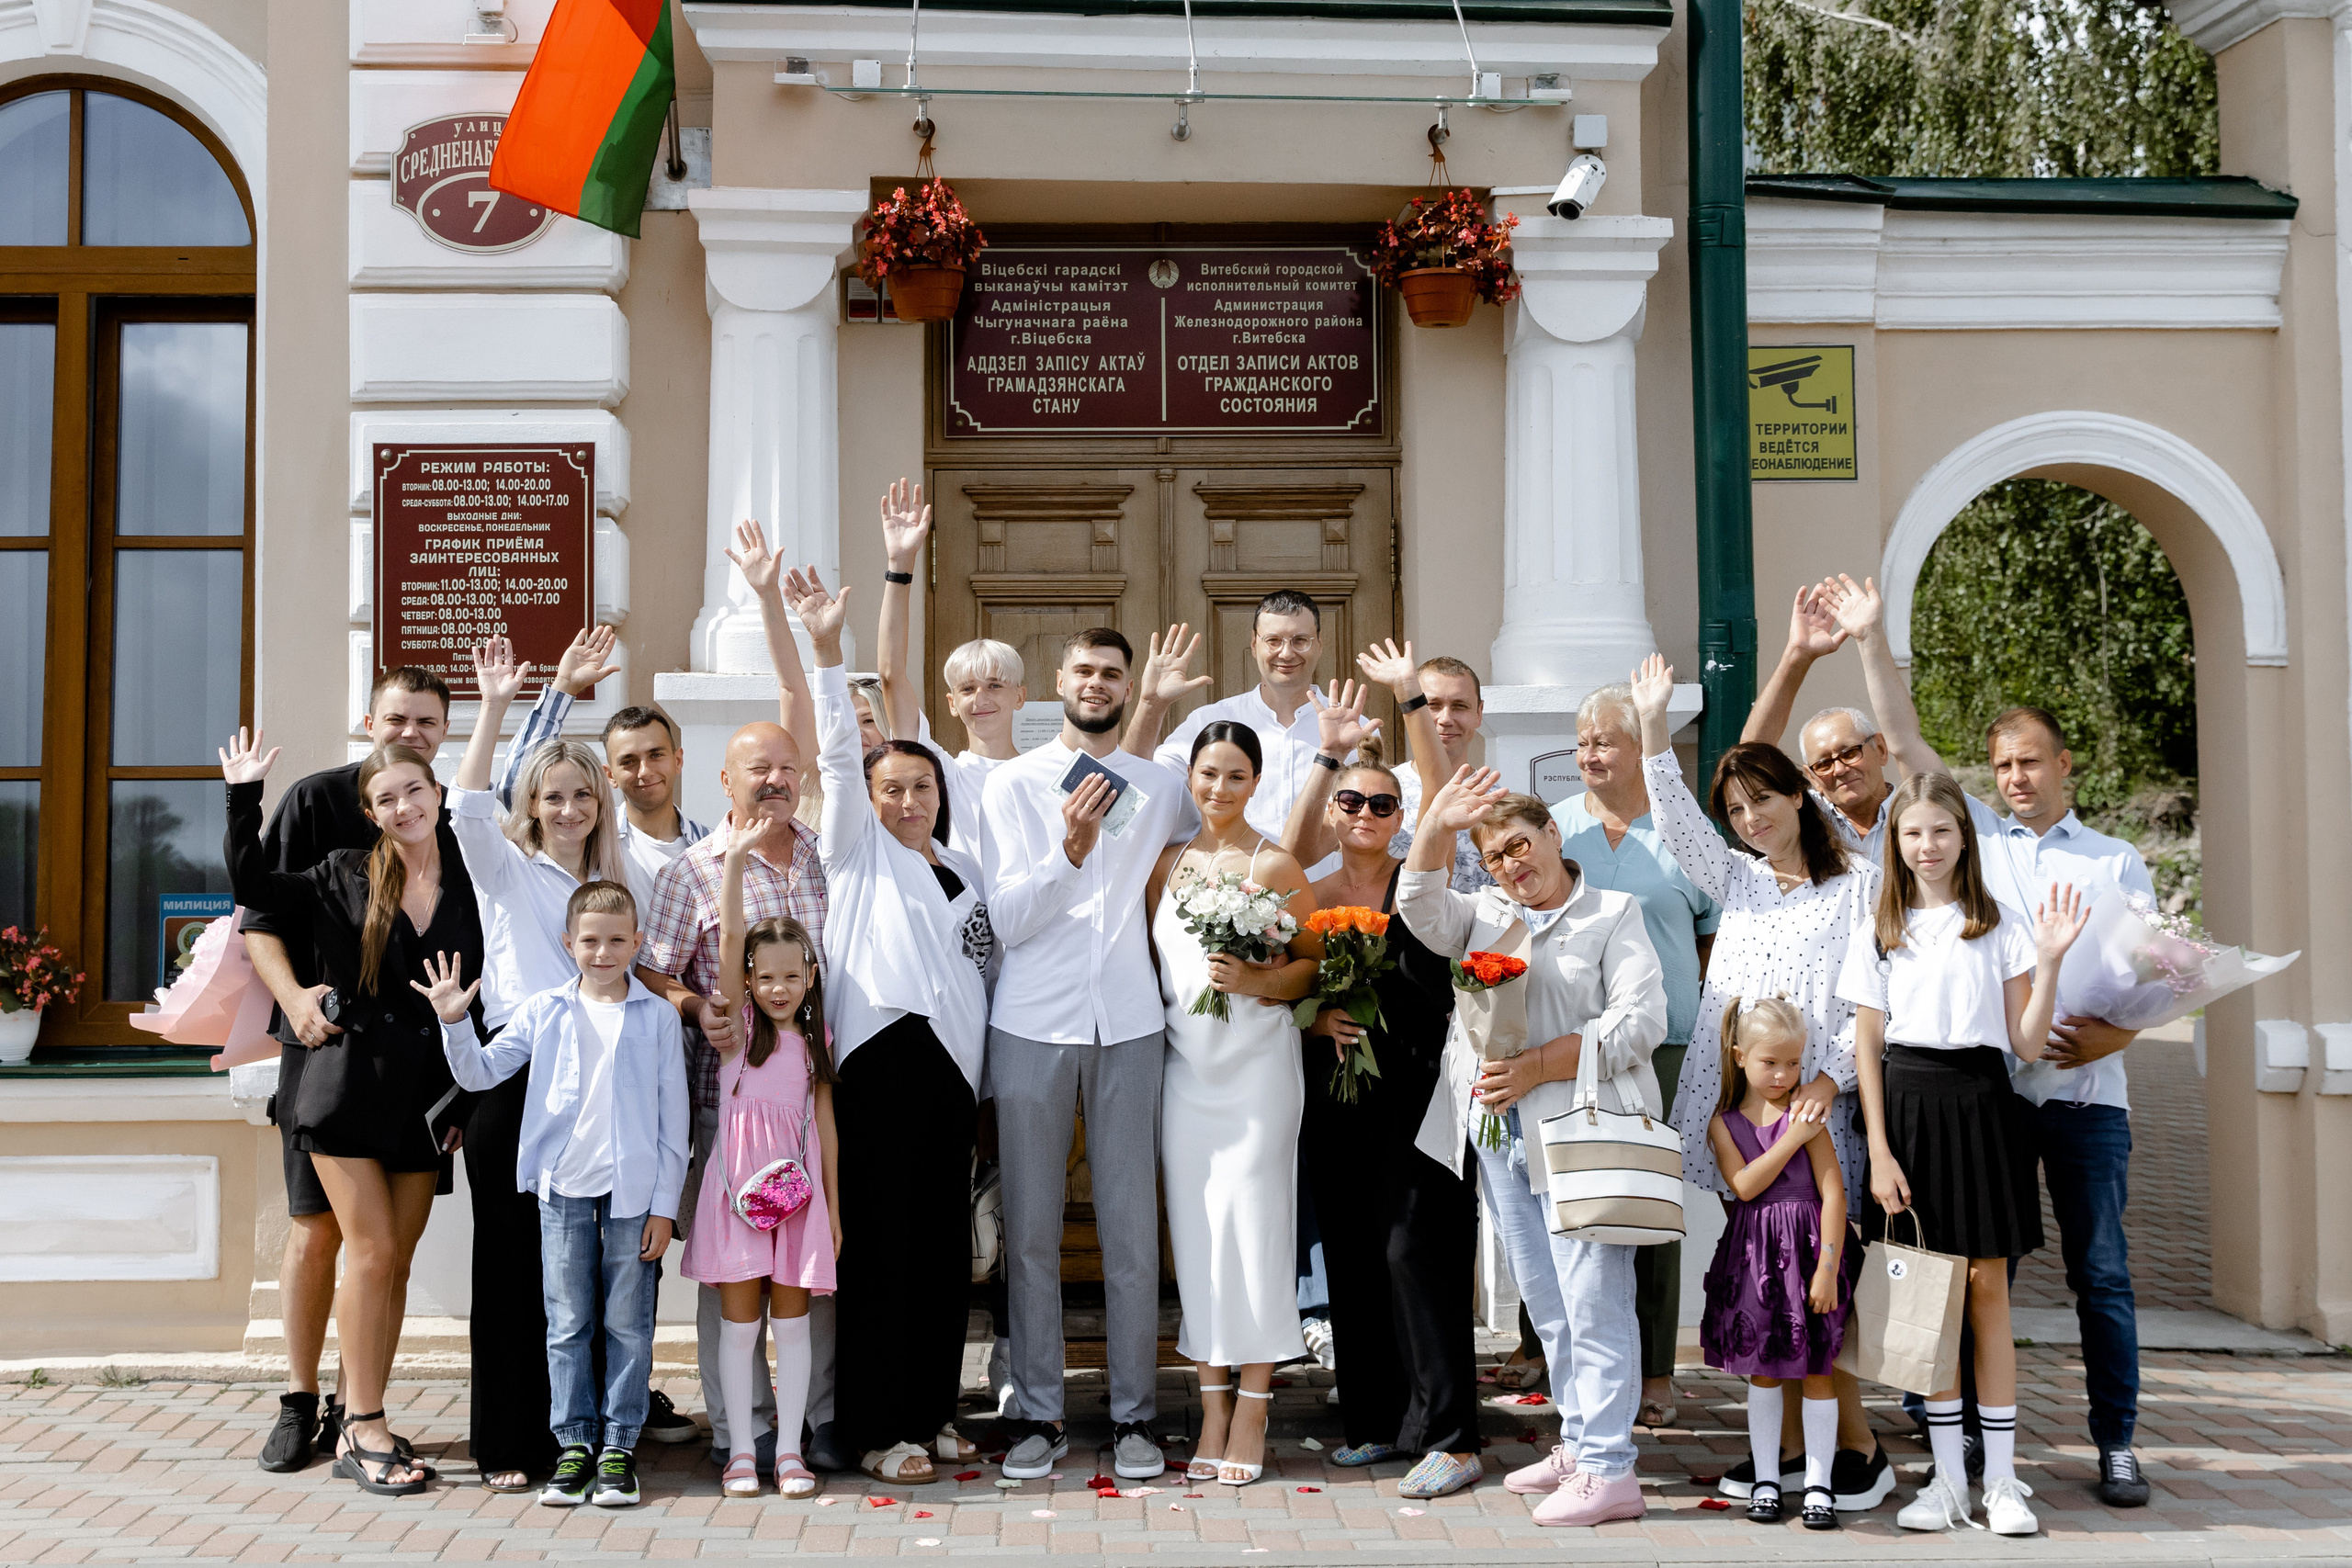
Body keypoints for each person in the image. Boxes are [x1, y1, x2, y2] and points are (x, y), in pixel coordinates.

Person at [1775, 576, 2161, 1506]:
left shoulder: (2113, 858)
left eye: (2034, 762)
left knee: (2096, 1273)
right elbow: (1905, 748)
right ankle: (1960, 1456)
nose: (2018, 778)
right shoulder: (1977, 845)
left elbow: (2152, 981)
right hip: (1964, 1100)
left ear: (2064, 765)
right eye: (2004, 765)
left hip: (2069, 1099)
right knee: (1955, 1280)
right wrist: (1869, 641)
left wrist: (2092, 1035)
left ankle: (2112, 1442)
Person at [1626, 658, 1894, 1510]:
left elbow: (1867, 1002)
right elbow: (1675, 821)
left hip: (1822, 1106)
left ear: (1800, 797)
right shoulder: (1737, 877)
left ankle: (1857, 1448)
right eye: (1736, 810)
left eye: (1762, 802)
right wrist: (1652, 727)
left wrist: (1829, 1079)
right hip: (1741, 1112)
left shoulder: (1856, 884)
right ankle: (1786, 1449)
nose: (1749, 821)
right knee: (1767, 1274)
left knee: (1824, 1275)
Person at [772, 563, 992, 1484]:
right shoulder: (855, 852)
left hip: (952, 1076)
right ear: (867, 801)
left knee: (944, 1254)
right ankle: (878, 1426)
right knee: (886, 1255)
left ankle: (935, 1410)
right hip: (878, 1065)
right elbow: (832, 753)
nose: (907, 801)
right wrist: (828, 653)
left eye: (920, 788)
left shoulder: (962, 871)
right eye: (891, 789)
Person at [1400, 768, 1668, 1529]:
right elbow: (1417, 904)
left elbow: (1642, 1020)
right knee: (1549, 1306)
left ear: (1554, 835)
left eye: (1520, 844)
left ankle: (1612, 1470)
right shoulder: (1483, 913)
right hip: (1498, 1133)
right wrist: (1436, 824)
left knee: (1595, 1300)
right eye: (1494, 857)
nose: (1512, 864)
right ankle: (1581, 1441)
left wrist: (1540, 1064)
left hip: (1581, 1128)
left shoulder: (1615, 912)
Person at [221, 730, 475, 1496]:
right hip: (342, 1090)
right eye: (386, 798)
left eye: (414, 790)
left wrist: (466, 1092)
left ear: (437, 796)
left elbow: (494, 996)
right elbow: (254, 885)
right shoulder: (339, 875)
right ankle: (363, 1426)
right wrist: (242, 795)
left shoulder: (474, 876)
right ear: (370, 812)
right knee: (366, 1250)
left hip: (429, 1100)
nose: (403, 806)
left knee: (394, 1260)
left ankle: (362, 1408)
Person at [1841, 772, 2087, 1537]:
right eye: (1913, 832)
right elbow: (1867, 1047)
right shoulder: (1879, 928)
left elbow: (2023, 1042)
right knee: (1932, 1298)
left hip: (1984, 1105)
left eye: (1941, 831)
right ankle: (1947, 1481)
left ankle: (2004, 1483)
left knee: (1987, 1292)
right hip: (1908, 1108)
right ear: (1896, 841)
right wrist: (1878, 1150)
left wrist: (2048, 962)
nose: (1928, 845)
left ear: (1963, 837)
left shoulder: (2002, 924)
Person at [978, 626, 1193, 1483]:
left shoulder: (1152, 785)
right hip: (1032, 1020)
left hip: (1131, 1020)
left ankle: (1135, 1414)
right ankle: (1038, 1409)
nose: (1096, 683)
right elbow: (1007, 920)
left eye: (1113, 672)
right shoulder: (1012, 785)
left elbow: (1207, 844)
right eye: (1084, 671)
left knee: (1131, 1230)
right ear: (1057, 682)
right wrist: (1068, 850)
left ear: (1127, 685)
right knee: (1030, 1231)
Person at [490, 626, 705, 1455]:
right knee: (553, 1279)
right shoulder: (520, 860)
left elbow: (660, 962)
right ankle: (554, 1427)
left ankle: (624, 1408)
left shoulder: (658, 863)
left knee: (629, 1264)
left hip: (640, 1062)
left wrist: (686, 1010)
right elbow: (518, 786)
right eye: (626, 760)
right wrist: (558, 695)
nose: (641, 771)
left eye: (657, 755)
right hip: (535, 1066)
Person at [639, 525, 824, 1477]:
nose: (776, 778)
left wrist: (772, 605)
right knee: (730, 1282)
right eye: (758, 768)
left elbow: (802, 699)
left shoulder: (825, 854)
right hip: (724, 1109)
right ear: (726, 780)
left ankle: (802, 1430)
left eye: (787, 767)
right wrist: (687, 1004)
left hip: (806, 1101)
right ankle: (736, 1432)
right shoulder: (693, 868)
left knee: (802, 1271)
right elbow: (652, 967)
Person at [448, 637, 648, 1492]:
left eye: (581, 795)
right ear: (531, 805)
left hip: (604, 1081)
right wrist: (504, 706)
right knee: (510, 1262)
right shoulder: (505, 869)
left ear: (600, 804)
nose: (567, 808)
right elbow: (465, 808)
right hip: (516, 1077)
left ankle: (600, 1431)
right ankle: (511, 1438)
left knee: (598, 1270)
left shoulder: (618, 872)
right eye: (552, 795)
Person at [426, 881, 690, 1509]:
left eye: (617, 940)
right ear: (569, 942)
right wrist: (454, 1020)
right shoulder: (544, 1009)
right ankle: (574, 1444)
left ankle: (618, 1446)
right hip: (563, 1191)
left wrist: (665, 1204)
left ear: (636, 943)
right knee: (567, 1321)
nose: (603, 951)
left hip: (632, 1195)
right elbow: (480, 1072)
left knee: (628, 1323)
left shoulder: (655, 1017)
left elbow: (672, 1121)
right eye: (591, 940)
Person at [1280, 724, 1483, 1500]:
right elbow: (1284, 989)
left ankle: (1450, 1434)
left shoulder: (1424, 880)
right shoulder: (1311, 892)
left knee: (1413, 1251)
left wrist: (1410, 708)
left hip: (1420, 1090)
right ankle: (1374, 1421)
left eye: (1383, 803)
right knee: (1356, 1255)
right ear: (1332, 809)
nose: (1365, 812)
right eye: (1351, 800)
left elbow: (1446, 807)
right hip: (1335, 1096)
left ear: (1405, 815)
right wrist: (1317, 1016)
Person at [1148, 723, 1319, 1487]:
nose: (1219, 788)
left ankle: (1254, 1402)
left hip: (1257, 1074)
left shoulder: (1273, 862)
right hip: (1185, 1076)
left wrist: (1255, 980)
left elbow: (1311, 967)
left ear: (1256, 783)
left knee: (1255, 1233)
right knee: (1198, 1239)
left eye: (1236, 775)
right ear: (1190, 777)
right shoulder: (1166, 864)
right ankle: (1211, 1403)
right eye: (1208, 773)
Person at [1548, 680, 1720, 1430]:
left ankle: (1654, 1370)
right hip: (1572, 1050)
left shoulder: (1680, 833)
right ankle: (1550, 1351)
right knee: (1560, 1198)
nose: (1589, 753)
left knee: (1649, 1203)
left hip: (1667, 1048)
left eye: (1604, 741)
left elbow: (1714, 938)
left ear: (1639, 749)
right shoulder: (1556, 829)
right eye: (1582, 741)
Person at [684, 827, 838, 1501]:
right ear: (748, 980)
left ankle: (793, 1450)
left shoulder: (816, 1036)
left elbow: (825, 1125)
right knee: (740, 1329)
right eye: (765, 976)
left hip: (800, 1202)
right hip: (738, 1200)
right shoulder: (737, 1028)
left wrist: (835, 1209)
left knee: (795, 1328)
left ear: (810, 978)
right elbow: (725, 941)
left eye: (791, 976)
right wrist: (737, 863)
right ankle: (743, 1451)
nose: (779, 988)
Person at [1701, 996, 1860, 1531]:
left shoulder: (1810, 1114)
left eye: (1794, 1063)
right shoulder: (1725, 1125)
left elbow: (1833, 1195)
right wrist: (1793, 1135)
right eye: (1771, 1062)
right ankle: (1767, 1479)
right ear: (1740, 1055)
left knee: (1819, 1370)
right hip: (1756, 1262)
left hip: (1812, 1256)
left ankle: (1819, 1485)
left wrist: (1827, 1268)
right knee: (1763, 1372)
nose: (1785, 1074)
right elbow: (1744, 1186)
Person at [868, 478, 1027, 863]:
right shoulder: (940, 771)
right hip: (960, 919)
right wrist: (900, 567)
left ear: (1019, 696)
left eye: (994, 685)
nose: (981, 698)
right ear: (952, 703)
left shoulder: (1046, 770)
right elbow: (890, 673)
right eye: (967, 689)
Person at [1743, 578, 1941, 863]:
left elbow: (1908, 742)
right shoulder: (1803, 823)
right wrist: (1797, 656)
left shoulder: (1918, 811)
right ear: (1811, 777)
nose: (1839, 769)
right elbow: (1750, 758)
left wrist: (1868, 635)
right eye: (1823, 763)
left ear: (1881, 750)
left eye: (1850, 753)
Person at [1147, 590, 1332, 861]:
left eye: (1300, 640)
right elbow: (1143, 782)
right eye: (1273, 641)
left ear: (1319, 646)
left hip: (1324, 896)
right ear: (1255, 645)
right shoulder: (1209, 722)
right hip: (1229, 892)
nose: (1286, 652)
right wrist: (1151, 706)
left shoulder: (1351, 729)